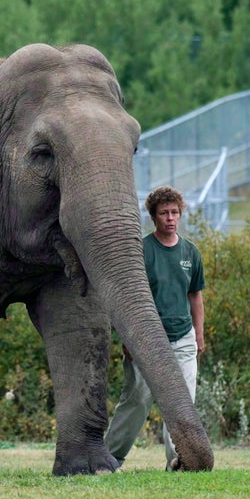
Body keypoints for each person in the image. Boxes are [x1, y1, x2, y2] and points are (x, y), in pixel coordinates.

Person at [105, 185, 205, 471]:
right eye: (164, 213)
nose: (170, 218)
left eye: (174, 212)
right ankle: (111, 459)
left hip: (183, 338)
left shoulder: (190, 252)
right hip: (146, 339)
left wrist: (198, 334)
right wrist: (127, 338)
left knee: (183, 402)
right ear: (153, 217)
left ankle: (179, 461)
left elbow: (195, 295)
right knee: (137, 399)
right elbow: (124, 297)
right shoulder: (142, 251)